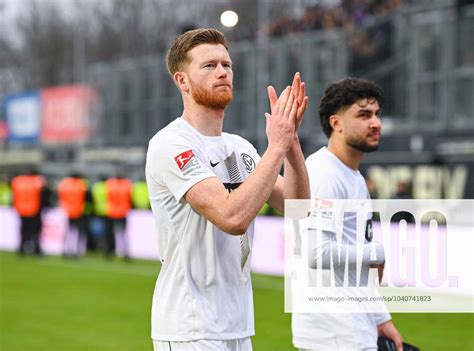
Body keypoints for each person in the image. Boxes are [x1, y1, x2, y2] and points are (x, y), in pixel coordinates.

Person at [145, 28, 309, 351]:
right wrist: (275, 147)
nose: (222, 72)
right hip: (190, 327)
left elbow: (299, 206)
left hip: (237, 326)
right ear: (182, 81)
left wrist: (290, 143)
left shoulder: (239, 148)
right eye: (209, 66)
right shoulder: (171, 143)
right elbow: (231, 217)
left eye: (227, 65)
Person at [292, 78, 403, 351]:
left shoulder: (351, 176)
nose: (375, 123)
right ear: (336, 123)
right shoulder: (325, 173)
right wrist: (377, 252)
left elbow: (356, 269)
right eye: (364, 115)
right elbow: (317, 253)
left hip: (352, 327)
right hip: (335, 333)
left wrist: (379, 317)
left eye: (377, 114)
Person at [11, 169, 46, 255]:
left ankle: (21, 248)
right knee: (35, 231)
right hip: (34, 210)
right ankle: (36, 249)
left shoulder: (18, 181)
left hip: (21, 209)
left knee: (23, 230)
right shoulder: (37, 181)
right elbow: (43, 194)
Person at [57, 173, 90, 257]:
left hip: (67, 211)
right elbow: (87, 198)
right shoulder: (82, 185)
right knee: (76, 232)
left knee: (68, 232)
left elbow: (60, 196)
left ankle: (66, 250)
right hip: (78, 211)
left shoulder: (64, 184)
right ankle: (75, 250)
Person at [105, 173, 132, 259]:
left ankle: (110, 251)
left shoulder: (110, 184)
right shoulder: (127, 184)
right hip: (122, 212)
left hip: (112, 211)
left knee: (110, 234)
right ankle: (125, 252)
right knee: (123, 234)